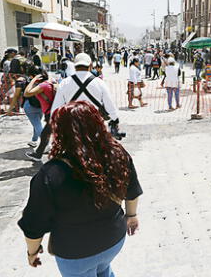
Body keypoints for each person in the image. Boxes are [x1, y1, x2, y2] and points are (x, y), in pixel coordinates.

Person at [18, 101, 142, 276]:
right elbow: (133, 190)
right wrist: (132, 215)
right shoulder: (116, 152)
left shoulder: (51, 174)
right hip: (114, 240)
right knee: (103, 268)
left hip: (76, 254)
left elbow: (34, 224)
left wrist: (32, 253)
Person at [51, 53, 120, 135]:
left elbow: (55, 110)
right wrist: (115, 119)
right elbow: (110, 106)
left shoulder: (64, 83)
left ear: (74, 66)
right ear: (90, 65)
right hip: (94, 126)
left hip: (72, 126)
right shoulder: (99, 83)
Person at [23, 69, 56, 161]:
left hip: (50, 113)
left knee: (46, 134)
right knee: (46, 134)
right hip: (52, 112)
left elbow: (27, 93)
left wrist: (33, 80)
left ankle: (39, 155)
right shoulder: (50, 83)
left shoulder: (43, 85)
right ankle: (38, 154)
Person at [19, 65, 44, 148]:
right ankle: (34, 140)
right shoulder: (45, 81)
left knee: (37, 125)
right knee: (37, 124)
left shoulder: (27, 81)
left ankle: (45, 144)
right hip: (41, 106)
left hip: (29, 106)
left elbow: (24, 93)